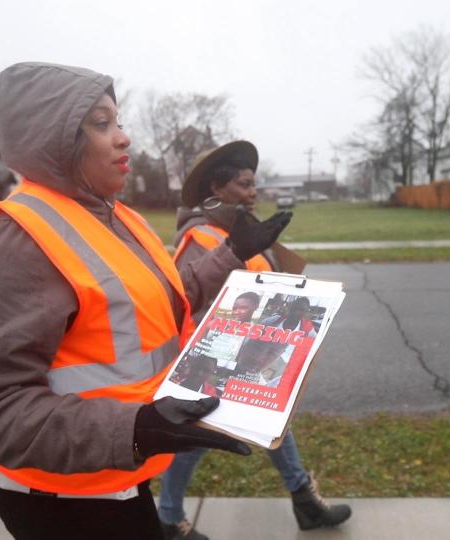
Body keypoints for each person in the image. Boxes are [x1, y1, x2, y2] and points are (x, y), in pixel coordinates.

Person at [0, 62, 287, 539]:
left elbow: (159, 302)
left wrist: (232, 254)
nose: (123, 138)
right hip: (58, 496)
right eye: (101, 124)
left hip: (118, 467)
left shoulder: (117, 217)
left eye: (118, 122)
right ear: (50, 136)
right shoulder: (11, 241)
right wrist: (134, 429)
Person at [159, 140, 352, 539]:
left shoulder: (240, 232)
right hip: (214, 360)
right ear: (217, 188)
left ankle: (303, 500)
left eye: (253, 184)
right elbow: (186, 303)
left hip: (253, 351)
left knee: (274, 423)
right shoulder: (201, 239)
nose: (253, 192)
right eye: (244, 184)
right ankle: (167, 515)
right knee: (195, 440)